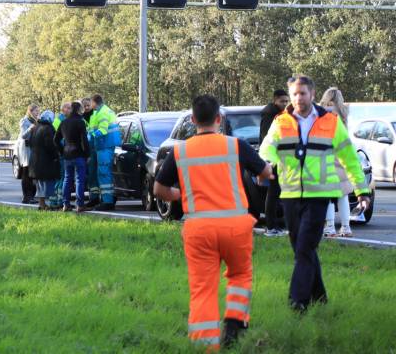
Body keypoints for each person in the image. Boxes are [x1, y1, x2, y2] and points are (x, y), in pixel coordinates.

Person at [154, 94, 274, 350]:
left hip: (199, 229)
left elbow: (158, 189)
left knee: (203, 288)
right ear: (219, 119)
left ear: (194, 120)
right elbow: (265, 172)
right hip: (236, 226)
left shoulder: (180, 150)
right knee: (240, 275)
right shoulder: (236, 145)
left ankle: (205, 345)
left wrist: (179, 195)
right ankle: (234, 322)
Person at [260, 75, 370, 312]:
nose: (299, 98)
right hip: (289, 195)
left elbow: (349, 157)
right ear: (290, 96)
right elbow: (267, 147)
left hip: (319, 196)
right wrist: (265, 165)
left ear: (312, 94)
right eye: (294, 94)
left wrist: (361, 190)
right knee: (303, 248)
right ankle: (320, 298)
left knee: (304, 248)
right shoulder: (280, 122)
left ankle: (297, 301)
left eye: (303, 93)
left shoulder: (330, 122)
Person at [319, 87, 354, 238]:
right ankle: (346, 227)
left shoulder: (321, 111)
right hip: (342, 153)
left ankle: (330, 228)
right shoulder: (344, 112)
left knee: (328, 194)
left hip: (326, 153)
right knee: (343, 193)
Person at [259, 89, 290, 237]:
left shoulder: (279, 113)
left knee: (275, 194)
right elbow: (267, 138)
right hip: (272, 159)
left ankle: (274, 226)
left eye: (286, 101)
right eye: (282, 101)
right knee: (272, 194)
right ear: (275, 100)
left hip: (277, 158)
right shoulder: (270, 114)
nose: (284, 104)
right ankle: (271, 226)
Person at [55, 100, 90, 212]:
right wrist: (87, 154)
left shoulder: (64, 122)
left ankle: (66, 204)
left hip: (67, 154)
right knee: (79, 179)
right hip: (78, 153)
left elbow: (55, 139)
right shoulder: (80, 122)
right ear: (79, 110)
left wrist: (62, 151)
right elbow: (84, 140)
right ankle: (79, 205)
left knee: (67, 179)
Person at [87, 94, 121, 211]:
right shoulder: (101, 111)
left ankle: (107, 202)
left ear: (94, 102)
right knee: (103, 173)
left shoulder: (102, 112)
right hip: (103, 146)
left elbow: (103, 130)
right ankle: (106, 199)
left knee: (104, 172)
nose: (90, 105)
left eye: (90, 102)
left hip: (104, 145)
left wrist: (90, 135)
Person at [28, 110, 61, 210]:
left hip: (35, 160)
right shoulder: (48, 128)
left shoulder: (36, 127)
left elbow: (29, 142)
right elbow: (50, 145)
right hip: (45, 161)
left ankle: (41, 204)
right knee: (47, 184)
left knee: (39, 184)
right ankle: (49, 204)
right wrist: (56, 155)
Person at [47, 102, 72, 209]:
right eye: (69, 108)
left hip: (58, 152)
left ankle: (54, 201)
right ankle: (60, 201)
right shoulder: (61, 121)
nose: (71, 110)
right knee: (62, 177)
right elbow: (58, 138)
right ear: (64, 109)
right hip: (61, 153)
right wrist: (63, 150)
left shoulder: (59, 120)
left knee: (58, 178)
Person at [17, 105, 39, 204]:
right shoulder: (25, 121)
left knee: (33, 174)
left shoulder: (37, 121)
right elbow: (24, 135)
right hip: (26, 150)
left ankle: (32, 196)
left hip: (34, 149)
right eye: (35, 111)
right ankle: (26, 196)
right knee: (26, 175)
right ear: (30, 111)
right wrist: (30, 128)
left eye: (38, 111)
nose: (37, 113)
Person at [81, 97, 100, 208]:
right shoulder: (81, 118)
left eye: (88, 105)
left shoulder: (96, 114)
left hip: (97, 147)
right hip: (87, 148)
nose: (87, 107)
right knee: (90, 175)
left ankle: (97, 197)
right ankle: (93, 197)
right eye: (85, 106)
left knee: (97, 174)